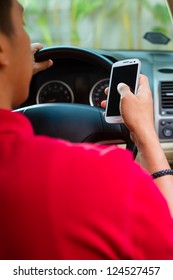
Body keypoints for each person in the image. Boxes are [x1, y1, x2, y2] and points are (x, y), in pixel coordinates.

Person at [0, 0, 173, 260]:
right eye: (23, 26)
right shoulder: (107, 175)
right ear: (2, 50)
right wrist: (146, 136)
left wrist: (13, 79)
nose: (29, 41)